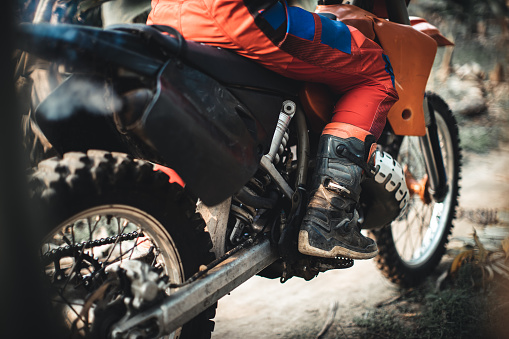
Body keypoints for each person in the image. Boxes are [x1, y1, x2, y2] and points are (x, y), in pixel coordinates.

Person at [147, 0, 398, 260]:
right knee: (376, 69)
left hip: (165, 18)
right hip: (238, 14)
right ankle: (328, 218)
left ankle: (153, 232)